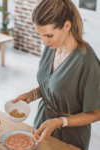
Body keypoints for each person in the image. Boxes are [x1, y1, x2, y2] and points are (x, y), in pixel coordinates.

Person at [12, 0, 100, 149]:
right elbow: (55, 85)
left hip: (70, 135)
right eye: (40, 35)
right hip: (43, 122)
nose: (44, 42)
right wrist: (32, 94)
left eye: (48, 36)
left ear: (67, 26)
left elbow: (97, 113)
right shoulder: (52, 47)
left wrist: (61, 122)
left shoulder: (86, 61)